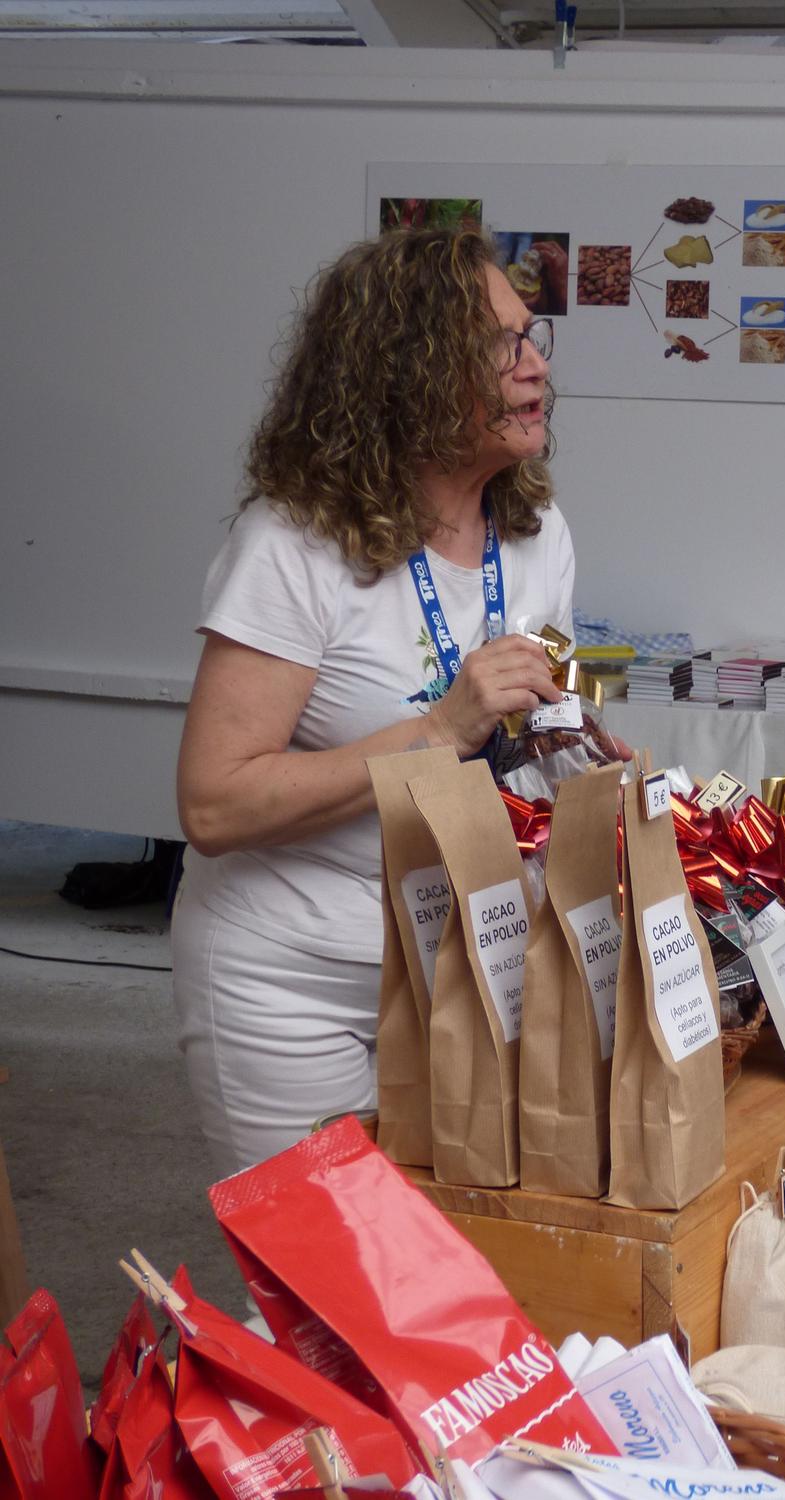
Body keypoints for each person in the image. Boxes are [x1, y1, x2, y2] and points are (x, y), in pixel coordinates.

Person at [172, 227, 579, 1177]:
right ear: (412, 375)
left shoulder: (537, 533)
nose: (536, 370)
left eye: (533, 338)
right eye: (503, 346)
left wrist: (580, 750)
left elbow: (521, 726)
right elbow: (214, 804)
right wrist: (436, 731)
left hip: (468, 956)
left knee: (456, 1267)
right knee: (320, 1288)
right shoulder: (294, 545)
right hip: (291, 979)